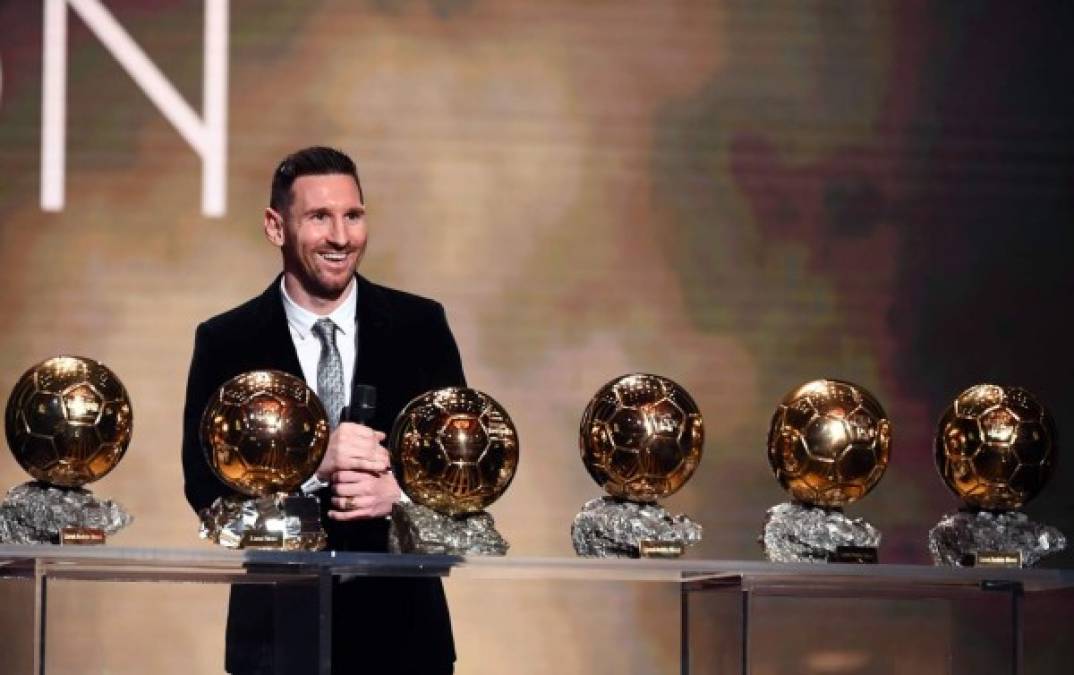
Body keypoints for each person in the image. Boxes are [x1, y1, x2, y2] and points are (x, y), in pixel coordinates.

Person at [181, 146, 462, 674]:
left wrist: (397, 494)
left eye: (352, 215)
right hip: (277, 639)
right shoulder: (227, 342)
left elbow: (460, 477)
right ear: (275, 226)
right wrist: (311, 466)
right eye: (319, 217)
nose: (341, 236)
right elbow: (204, 488)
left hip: (404, 637)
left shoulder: (420, 327)